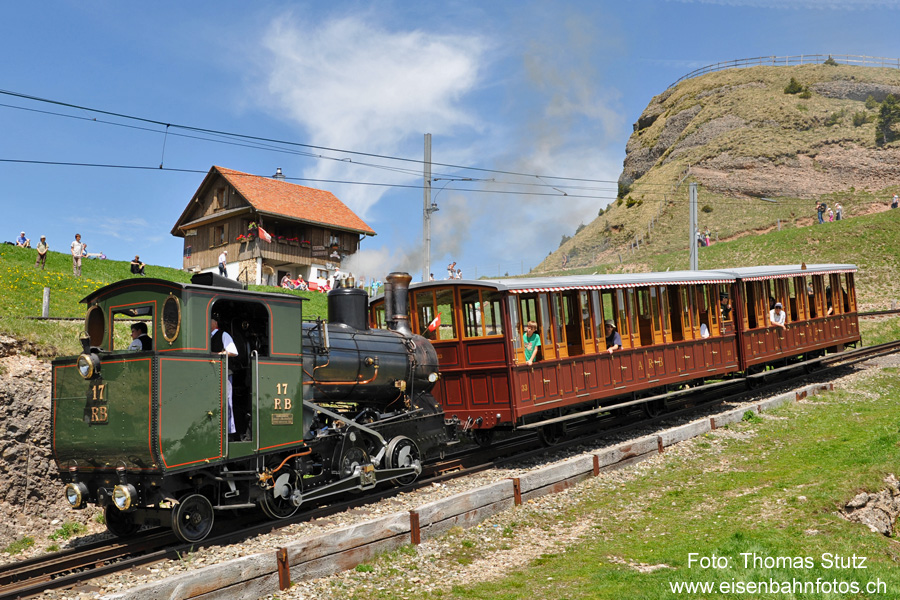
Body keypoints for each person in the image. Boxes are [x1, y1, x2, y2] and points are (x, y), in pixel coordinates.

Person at [210, 313, 239, 440]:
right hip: (212, 373)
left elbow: (233, 352)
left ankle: (229, 432)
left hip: (224, 373)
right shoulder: (206, 337)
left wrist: (217, 354)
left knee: (227, 402)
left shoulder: (223, 335)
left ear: (215, 323)